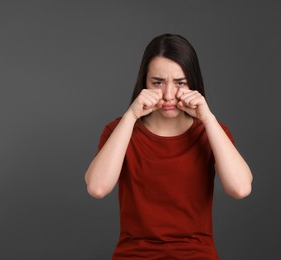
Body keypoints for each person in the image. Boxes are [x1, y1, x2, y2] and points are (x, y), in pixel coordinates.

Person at [85, 33, 253, 259]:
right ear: (144, 82)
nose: (168, 94)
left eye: (180, 83)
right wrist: (131, 116)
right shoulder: (120, 130)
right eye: (157, 82)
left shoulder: (211, 131)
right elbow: (97, 188)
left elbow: (240, 189)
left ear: (193, 82)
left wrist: (208, 118)